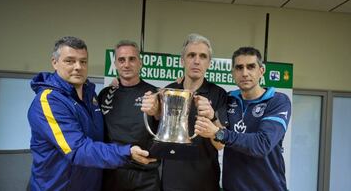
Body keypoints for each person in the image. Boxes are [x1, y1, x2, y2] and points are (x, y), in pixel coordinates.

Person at [28, 36, 155, 191]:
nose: (78, 67)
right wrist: (126, 152)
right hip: (57, 186)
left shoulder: (92, 96)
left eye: (83, 61)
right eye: (70, 61)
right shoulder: (49, 100)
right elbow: (78, 150)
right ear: (55, 62)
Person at [195, 47, 292, 191]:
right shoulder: (227, 99)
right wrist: (184, 81)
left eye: (251, 67)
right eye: (239, 68)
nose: (245, 73)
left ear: (261, 71)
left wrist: (219, 133)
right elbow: (200, 90)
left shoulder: (277, 101)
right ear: (233, 72)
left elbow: (262, 144)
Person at [142, 33, 227, 191]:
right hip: (171, 180)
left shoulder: (219, 94)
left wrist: (212, 117)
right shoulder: (169, 90)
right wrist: (154, 112)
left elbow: (220, 145)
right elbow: (158, 132)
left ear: (209, 63)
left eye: (202, 56)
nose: (196, 61)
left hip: (205, 181)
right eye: (191, 55)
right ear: (182, 60)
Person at [98, 40, 161, 191]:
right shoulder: (105, 94)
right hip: (112, 172)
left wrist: (158, 112)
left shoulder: (155, 94)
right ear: (116, 64)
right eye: (121, 60)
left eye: (132, 59)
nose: (126, 64)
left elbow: (165, 129)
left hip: (145, 174)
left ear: (140, 63)